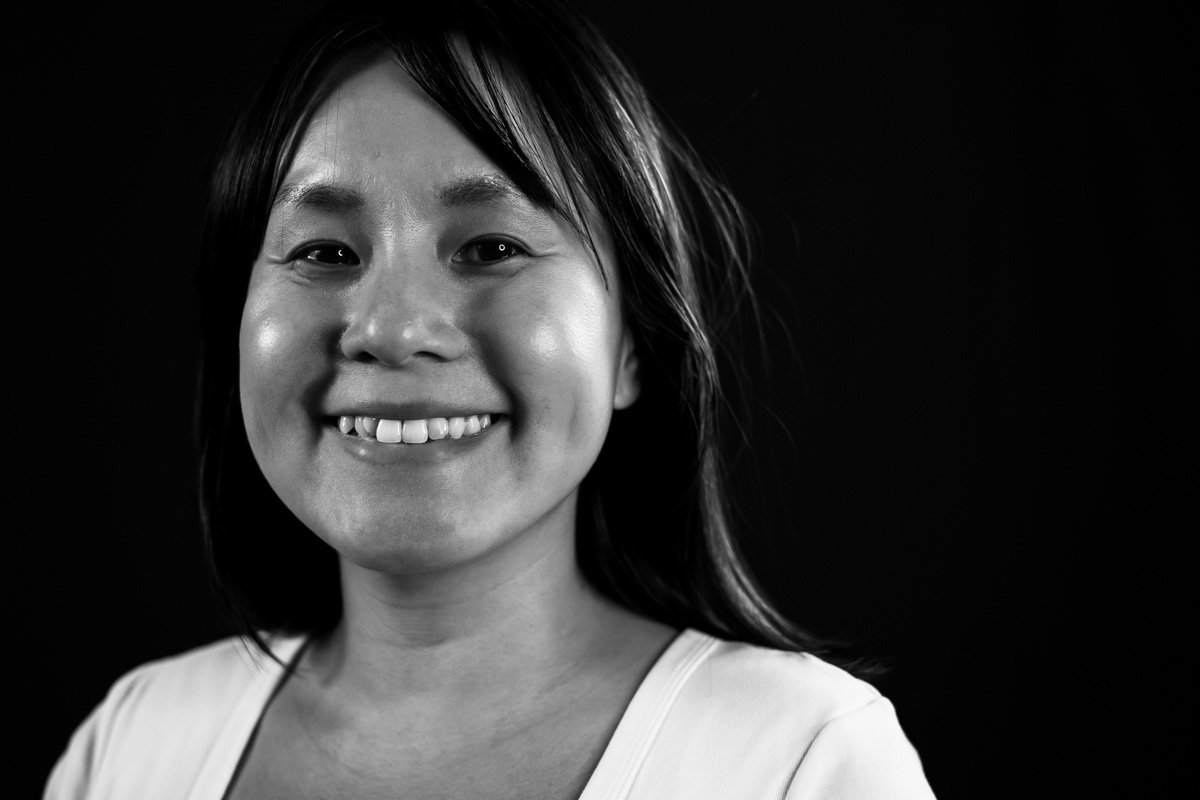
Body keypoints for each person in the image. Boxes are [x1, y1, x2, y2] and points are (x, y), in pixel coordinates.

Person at [45, 1, 936, 797]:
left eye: (492, 248)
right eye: (323, 253)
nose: (393, 329)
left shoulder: (801, 760)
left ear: (632, 346)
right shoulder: (135, 745)